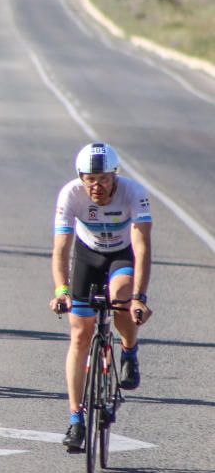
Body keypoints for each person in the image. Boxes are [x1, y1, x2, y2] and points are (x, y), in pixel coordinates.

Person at [49, 143, 152, 451]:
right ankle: (76, 420)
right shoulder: (70, 194)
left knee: (121, 296)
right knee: (80, 335)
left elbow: (143, 247)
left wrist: (139, 297)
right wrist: (61, 291)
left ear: (114, 176)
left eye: (103, 178)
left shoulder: (134, 193)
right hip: (87, 256)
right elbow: (61, 250)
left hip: (122, 255)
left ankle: (129, 350)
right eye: (89, 179)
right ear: (81, 177)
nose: (96, 186)